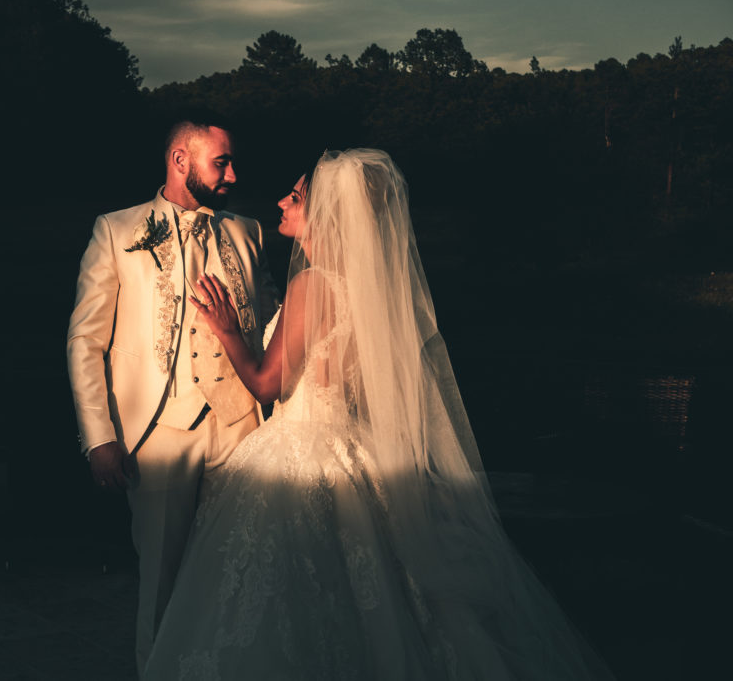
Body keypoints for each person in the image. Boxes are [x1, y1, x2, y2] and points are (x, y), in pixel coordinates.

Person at [142, 149, 614, 679]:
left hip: (299, 452)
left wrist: (227, 328)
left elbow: (266, 383)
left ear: (327, 215)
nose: (281, 202)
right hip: (354, 450)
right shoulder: (370, 293)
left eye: (295, 197)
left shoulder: (313, 284)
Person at [66, 117, 280, 673]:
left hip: (243, 430)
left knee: (239, 573)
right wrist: (98, 437)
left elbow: (273, 324)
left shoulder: (248, 231)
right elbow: (86, 340)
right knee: (161, 581)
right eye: (221, 163)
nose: (233, 175)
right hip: (158, 434)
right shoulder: (117, 230)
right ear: (180, 160)